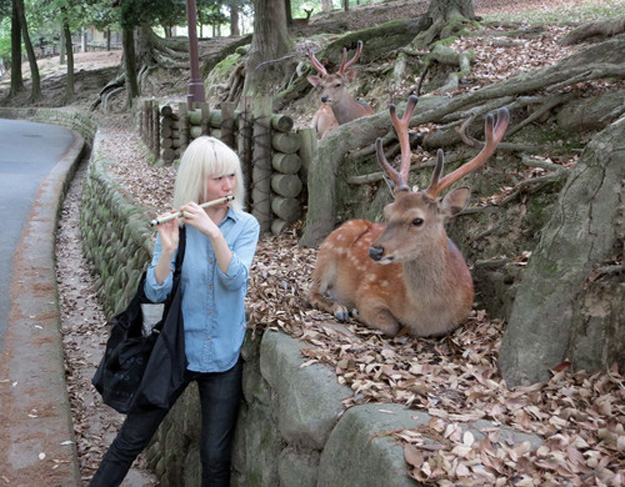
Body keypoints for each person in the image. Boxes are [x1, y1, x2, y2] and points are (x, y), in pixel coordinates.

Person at [90, 136, 260, 487]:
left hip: (223, 356)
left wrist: (213, 233)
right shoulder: (177, 224)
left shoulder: (246, 226)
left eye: (231, 176)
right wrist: (167, 250)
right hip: (173, 352)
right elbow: (156, 292)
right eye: (217, 178)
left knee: (215, 458)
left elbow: (235, 280)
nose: (227, 185)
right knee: (130, 441)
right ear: (197, 181)